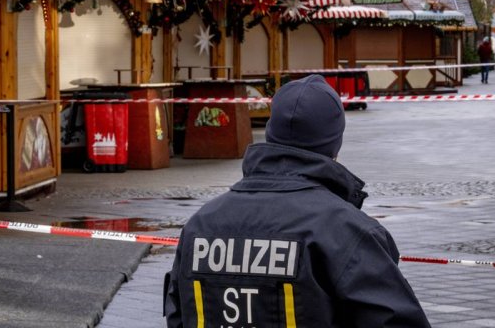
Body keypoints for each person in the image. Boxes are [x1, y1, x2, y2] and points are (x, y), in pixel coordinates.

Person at [164, 75, 431, 327]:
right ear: (334, 146)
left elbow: (178, 314)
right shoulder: (347, 233)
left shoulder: (200, 224)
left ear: (271, 133)